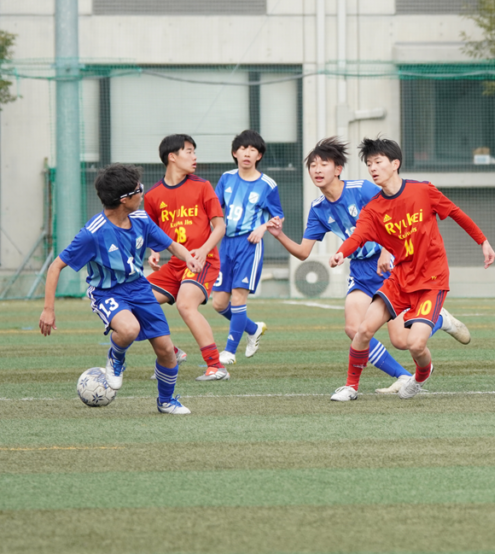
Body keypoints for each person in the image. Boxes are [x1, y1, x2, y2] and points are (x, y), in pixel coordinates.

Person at [266, 137, 472, 396]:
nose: (317, 170)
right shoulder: (318, 208)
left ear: (338, 169)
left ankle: (440, 320)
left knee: (401, 341)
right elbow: (303, 252)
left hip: (389, 267)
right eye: (313, 166)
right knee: (354, 329)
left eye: (323, 164)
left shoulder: (361, 189)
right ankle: (401, 376)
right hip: (360, 271)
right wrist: (280, 236)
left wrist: (387, 250)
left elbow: (393, 211)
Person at [328, 137, 495, 401]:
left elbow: (455, 213)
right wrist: (341, 252)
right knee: (363, 330)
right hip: (400, 278)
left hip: (432, 280)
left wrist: (482, 241)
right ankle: (350, 387)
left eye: (378, 162)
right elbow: (358, 236)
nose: (373, 168)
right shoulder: (373, 209)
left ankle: (421, 375)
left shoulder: (423, 190)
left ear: (395, 164)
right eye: (369, 163)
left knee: (415, 345)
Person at [38, 163, 202, 414]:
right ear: (124, 199)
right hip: (107, 292)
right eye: (139, 189)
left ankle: (166, 402)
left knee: (167, 351)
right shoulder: (93, 233)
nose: (142, 193)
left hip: (140, 289)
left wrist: (188, 256)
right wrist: (48, 310)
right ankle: (116, 357)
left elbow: (171, 244)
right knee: (129, 329)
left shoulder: (141, 220)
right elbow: (55, 267)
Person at [145, 134, 229, 381]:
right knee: (137, 302)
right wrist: (154, 252)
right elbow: (153, 232)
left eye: (194, 151)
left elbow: (220, 227)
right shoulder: (152, 196)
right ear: (172, 157)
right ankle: (171, 353)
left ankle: (216, 366)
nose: (195, 157)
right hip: (175, 264)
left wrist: (203, 250)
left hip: (203, 262)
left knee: (185, 304)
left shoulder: (202, 186)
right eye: (189, 151)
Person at [211, 130, 284, 364]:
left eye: (253, 150)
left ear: (259, 156)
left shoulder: (267, 185)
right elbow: (214, 209)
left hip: (249, 246)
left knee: (238, 298)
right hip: (226, 245)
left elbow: (278, 217)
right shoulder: (226, 178)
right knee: (218, 303)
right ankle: (253, 329)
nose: (247, 153)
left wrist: (263, 227)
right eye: (243, 149)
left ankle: (229, 352)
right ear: (235, 153)